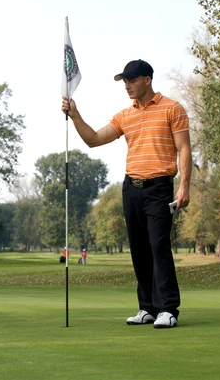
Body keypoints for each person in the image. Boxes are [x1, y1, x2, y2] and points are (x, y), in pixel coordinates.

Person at [61, 59, 191, 329]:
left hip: (159, 187)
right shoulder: (124, 115)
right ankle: (147, 308)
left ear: (147, 79)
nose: (127, 86)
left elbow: (184, 149)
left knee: (158, 247)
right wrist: (75, 115)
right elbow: (94, 139)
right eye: (124, 82)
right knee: (139, 250)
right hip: (131, 188)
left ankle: (167, 309)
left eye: (131, 81)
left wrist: (184, 185)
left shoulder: (172, 108)